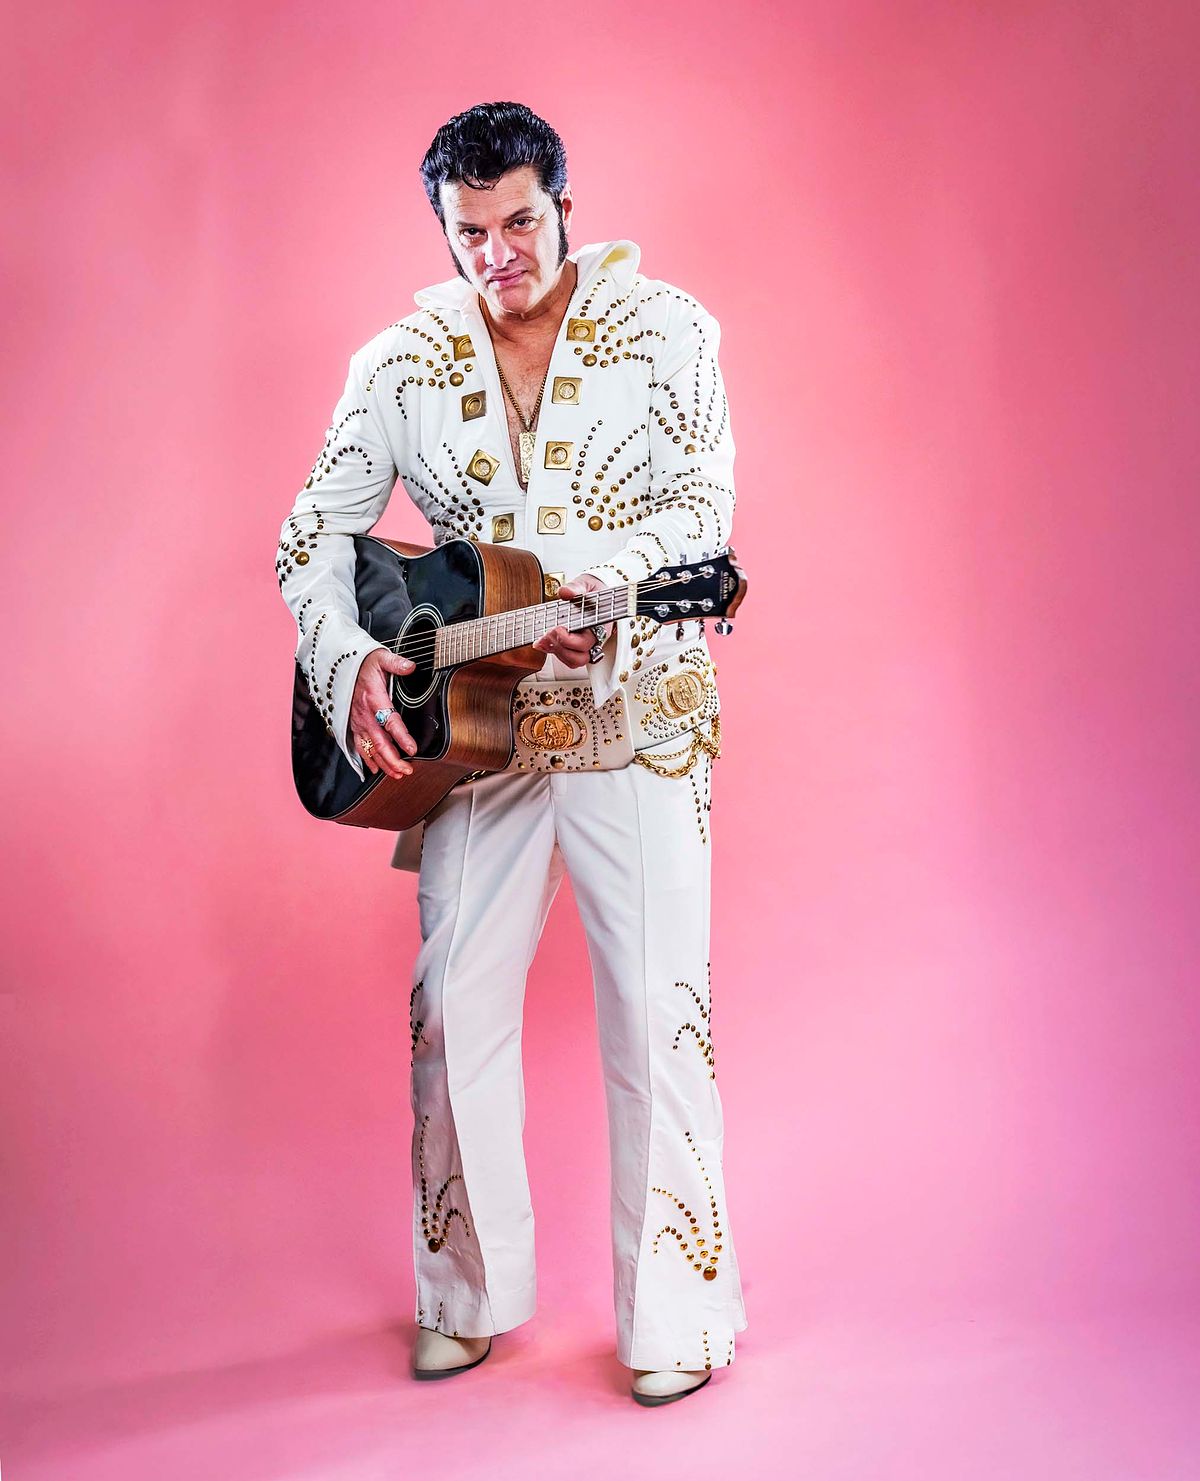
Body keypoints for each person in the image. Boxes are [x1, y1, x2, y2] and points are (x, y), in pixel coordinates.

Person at [275, 101, 746, 1405]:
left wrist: (614, 582)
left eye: (521, 221)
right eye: (471, 229)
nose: (499, 250)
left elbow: (706, 507)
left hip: (635, 708)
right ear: (444, 227)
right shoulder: (400, 360)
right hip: (473, 725)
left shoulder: (673, 333)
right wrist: (347, 655)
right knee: (446, 1006)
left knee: (658, 1012)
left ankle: (678, 1318)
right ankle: (466, 1292)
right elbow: (311, 533)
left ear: (565, 205)